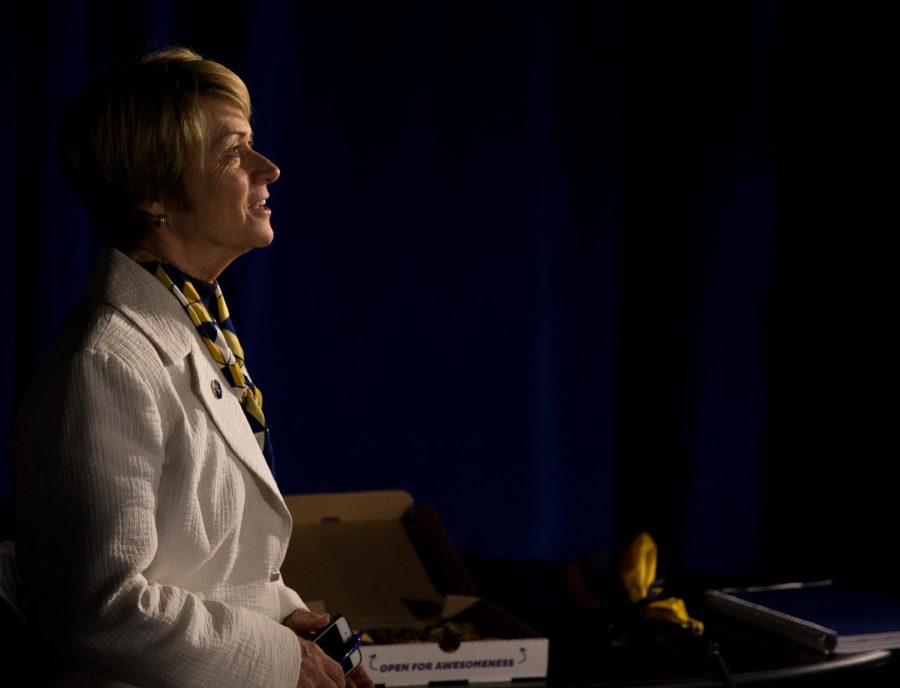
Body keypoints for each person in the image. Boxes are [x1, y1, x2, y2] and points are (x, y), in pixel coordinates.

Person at [13, 46, 375, 688]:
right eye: (234, 152)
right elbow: (103, 607)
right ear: (154, 191)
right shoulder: (105, 361)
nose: (270, 168)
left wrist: (289, 623)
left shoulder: (195, 327)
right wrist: (279, 662)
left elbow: (215, 566)